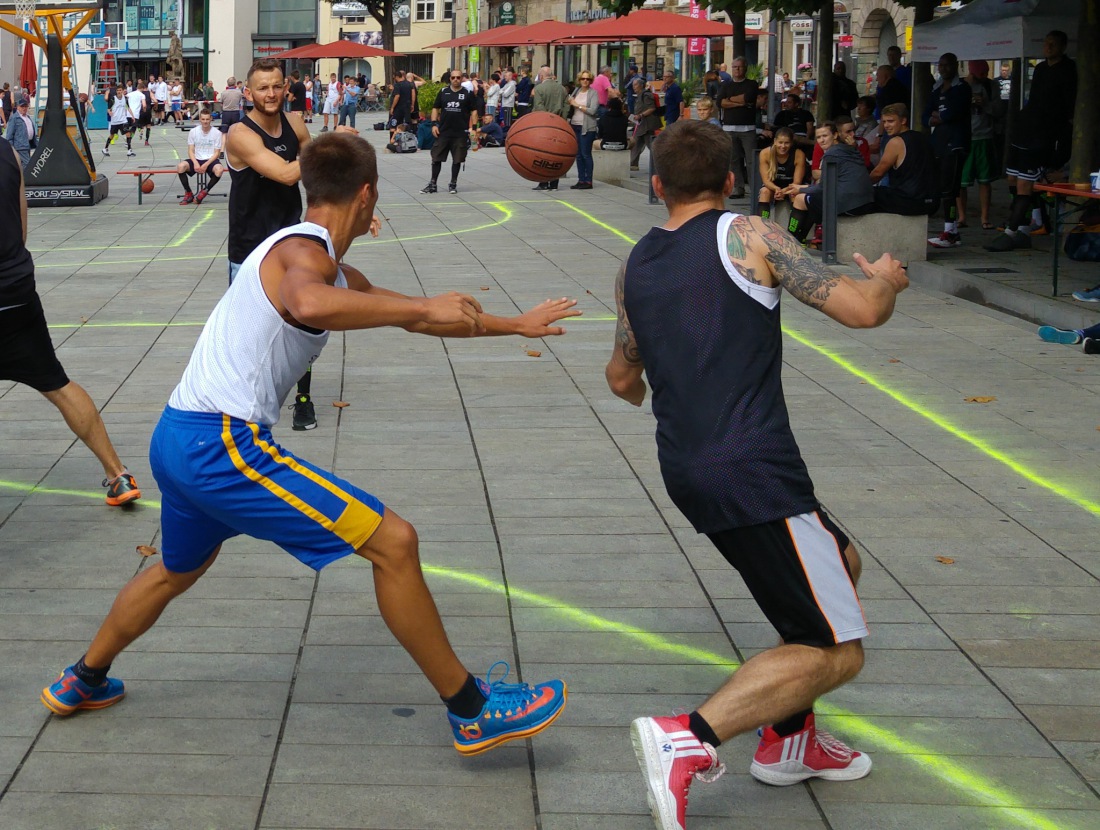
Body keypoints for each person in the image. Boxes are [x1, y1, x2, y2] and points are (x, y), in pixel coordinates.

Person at [39, 131, 576, 760]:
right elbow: (308, 302)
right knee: (395, 543)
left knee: (175, 571)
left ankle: (83, 678)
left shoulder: (315, 258)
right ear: (368, 194)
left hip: (177, 436)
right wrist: (425, 304)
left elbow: (418, 316)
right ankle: (473, 711)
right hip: (222, 446)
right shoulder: (302, 254)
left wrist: (514, 324)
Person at [605, 118, 907, 830]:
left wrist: (676, 371)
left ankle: (789, 740)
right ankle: (690, 738)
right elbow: (863, 310)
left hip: (688, 466)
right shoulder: (749, 235)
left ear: (656, 186)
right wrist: (889, 281)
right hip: (753, 468)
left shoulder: (635, 264)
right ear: (732, 180)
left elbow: (622, 378)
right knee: (836, 649)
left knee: (843, 560)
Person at [0, 135, 141, 507]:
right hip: (15, 292)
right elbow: (22, 224)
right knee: (57, 384)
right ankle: (118, 474)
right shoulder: (8, 152)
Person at [227, 59, 344, 431]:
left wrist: (346, 205)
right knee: (248, 334)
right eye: (262, 87)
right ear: (249, 92)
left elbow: (315, 180)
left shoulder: (295, 124)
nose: (271, 94)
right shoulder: (240, 135)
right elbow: (285, 173)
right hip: (250, 249)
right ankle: (243, 405)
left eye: (276, 86)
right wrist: (333, 143)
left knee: (303, 323)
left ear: (286, 87)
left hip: (293, 242)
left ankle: (303, 399)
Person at [985, 30, 1077, 256]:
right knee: (1013, 180)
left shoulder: (1068, 70)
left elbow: (1068, 105)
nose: (1048, 48)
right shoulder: (1040, 69)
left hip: (1046, 133)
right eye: (1046, 44)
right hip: (1027, 127)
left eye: (1053, 44)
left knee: (1027, 183)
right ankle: (1025, 228)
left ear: (1063, 47)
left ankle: (1011, 231)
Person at [787, 121, 875, 243]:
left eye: (825, 136)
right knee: (812, 199)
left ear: (835, 135)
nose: (821, 140)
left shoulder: (831, 154)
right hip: (866, 202)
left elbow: (823, 187)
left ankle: (789, 240)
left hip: (850, 205)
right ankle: (800, 240)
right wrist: (802, 187)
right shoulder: (848, 149)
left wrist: (800, 189)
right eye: (818, 137)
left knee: (800, 199)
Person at [924, 53, 970, 249]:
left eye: (946, 65)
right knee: (942, 188)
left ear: (955, 66)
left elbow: (954, 113)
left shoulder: (962, 88)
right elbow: (925, 114)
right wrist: (937, 117)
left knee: (950, 189)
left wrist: (941, 115)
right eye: (940, 65)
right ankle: (950, 230)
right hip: (939, 143)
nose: (943, 69)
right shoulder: (936, 89)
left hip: (956, 144)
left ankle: (951, 231)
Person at [870, 103, 939, 216]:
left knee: (867, 194)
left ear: (903, 121)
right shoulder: (922, 137)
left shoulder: (896, 142)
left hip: (909, 201)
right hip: (932, 201)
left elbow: (878, 173)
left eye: (891, 121)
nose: (886, 125)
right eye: (884, 122)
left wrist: (861, 185)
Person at [421, 69, 478, 195]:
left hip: (460, 133)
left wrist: (473, 128)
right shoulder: (443, 92)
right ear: (450, 79)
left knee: (457, 159)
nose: (456, 80)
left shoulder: (467, 93)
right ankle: (432, 183)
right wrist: (434, 124)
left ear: (462, 78)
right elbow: (436, 108)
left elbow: (474, 111)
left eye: (458, 77)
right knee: (436, 158)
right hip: (444, 131)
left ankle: (453, 183)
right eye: (453, 78)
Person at [956, 60, 998, 230]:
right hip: (965, 137)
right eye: (981, 73)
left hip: (984, 137)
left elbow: (999, 110)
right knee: (960, 182)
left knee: (985, 180)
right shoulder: (960, 86)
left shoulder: (991, 86)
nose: (985, 76)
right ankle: (961, 217)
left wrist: (985, 104)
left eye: (986, 72)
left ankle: (985, 217)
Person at [717, 57, 759, 199]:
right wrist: (740, 103)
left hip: (748, 128)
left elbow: (748, 98)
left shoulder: (752, 84)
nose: (737, 70)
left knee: (752, 159)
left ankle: (755, 189)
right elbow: (720, 102)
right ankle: (738, 187)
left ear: (745, 68)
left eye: (740, 67)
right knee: (733, 160)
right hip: (729, 128)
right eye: (735, 67)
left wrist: (730, 100)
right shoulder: (726, 85)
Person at [531, 65, 570, 192]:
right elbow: (566, 106)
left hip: (544, 125)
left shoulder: (539, 88)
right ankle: (554, 183)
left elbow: (538, 106)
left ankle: (543, 182)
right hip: (559, 123)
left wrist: (545, 120)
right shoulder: (562, 89)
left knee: (542, 153)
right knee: (556, 152)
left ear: (541, 76)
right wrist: (562, 119)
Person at [756, 127, 805, 220]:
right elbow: (766, 180)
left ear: (791, 143)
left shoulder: (798, 154)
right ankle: (762, 224)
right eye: (780, 142)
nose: (783, 146)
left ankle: (793, 231)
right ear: (775, 141)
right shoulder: (765, 153)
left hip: (791, 186)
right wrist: (777, 189)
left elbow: (797, 182)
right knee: (764, 192)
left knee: (795, 196)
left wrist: (784, 191)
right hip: (773, 186)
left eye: (786, 143)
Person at [177, 109, 225, 205]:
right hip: (197, 159)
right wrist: (195, 163)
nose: (205, 121)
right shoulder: (193, 131)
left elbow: (217, 153)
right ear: (200, 119)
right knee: (180, 166)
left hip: (210, 159)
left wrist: (206, 164)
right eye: (203, 119)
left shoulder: (217, 133)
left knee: (219, 169)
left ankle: (205, 191)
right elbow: (190, 150)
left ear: (211, 119)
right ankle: (188, 193)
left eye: (207, 119)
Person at [568, 71, 598, 190]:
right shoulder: (576, 91)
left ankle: (588, 180)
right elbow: (570, 103)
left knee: (586, 154)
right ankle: (581, 179)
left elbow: (593, 110)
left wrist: (577, 105)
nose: (585, 81)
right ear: (579, 80)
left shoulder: (593, 93)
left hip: (587, 127)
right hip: (575, 125)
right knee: (578, 155)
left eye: (588, 79)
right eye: (583, 79)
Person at [628, 76, 660, 175]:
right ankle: (633, 165)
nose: (634, 87)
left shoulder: (646, 95)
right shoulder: (639, 95)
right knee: (635, 144)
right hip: (641, 125)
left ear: (641, 85)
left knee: (651, 145)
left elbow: (652, 108)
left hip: (647, 125)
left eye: (636, 85)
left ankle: (660, 163)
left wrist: (641, 115)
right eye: (633, 85)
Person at [102, 84, 134, 158]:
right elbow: (108, 108)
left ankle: (129, 150)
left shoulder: (125, 99)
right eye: (117, 90)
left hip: (123, 120)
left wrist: (132, 116)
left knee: (128, 133)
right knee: (112, 135)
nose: (119, 92)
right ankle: (105, 148)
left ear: (123, 91)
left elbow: (128, 108)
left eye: (120, 90)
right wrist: (109, 112)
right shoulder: (113, 99)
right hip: (115, 120)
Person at [4, 97, 35, 167]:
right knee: (28, 164)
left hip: (28, 144)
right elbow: (9, 135)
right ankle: (26, 177)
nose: (24, 108)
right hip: (20, 146)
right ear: (18, 107)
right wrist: (11, 148)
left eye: (26, 106)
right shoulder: (14, 118)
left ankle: (22, 177)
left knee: (24, 165)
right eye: (22, 106)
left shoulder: (28, 117)